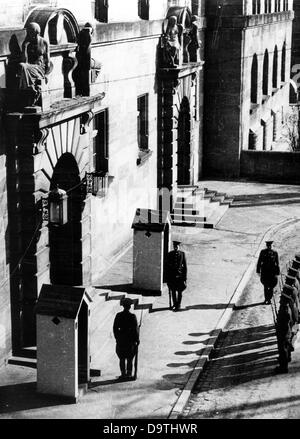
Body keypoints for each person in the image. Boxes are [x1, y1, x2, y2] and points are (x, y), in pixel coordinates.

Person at [17, 22, 51, 96]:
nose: (28, 33)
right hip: (30, 67)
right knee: (22, 65)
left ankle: (30, 86)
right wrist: (25, 47)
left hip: (40, 68)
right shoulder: (26, 43)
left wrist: (47, 74)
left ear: (36, 32)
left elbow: (48, 60)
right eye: (28, 32)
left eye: (30, 31)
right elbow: (25, 61)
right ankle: (30, 86)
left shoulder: (44, 42)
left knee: (23, 66)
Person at [113, 297, 139, 380]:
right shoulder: (132, 316)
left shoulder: (119, 315)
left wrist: (117, 338)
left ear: (123, 306)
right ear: (129, 307)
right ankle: (129, 374)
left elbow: (115, 328)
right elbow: (135, 330)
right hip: (130, 340)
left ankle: (123, 374)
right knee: (130, 358)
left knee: (121, 358)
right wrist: (137, 339)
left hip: (121, 339)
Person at [165, 240, 187, 311]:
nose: (176, 248)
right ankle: (174, 304)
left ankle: (179, 304)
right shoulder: (170, 254)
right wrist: (167, 278)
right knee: (173, 291)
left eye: (177, 247)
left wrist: (184, 278)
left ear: (179, 247)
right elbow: (167, 267)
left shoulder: (182, 254)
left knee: (180, 292)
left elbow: (185, 267)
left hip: (180, 277)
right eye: (174, 247)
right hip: (172, 277)